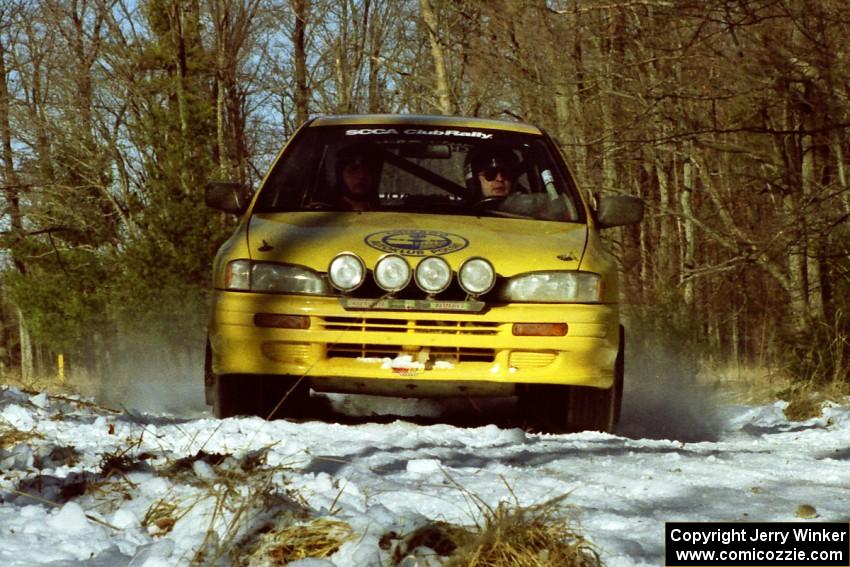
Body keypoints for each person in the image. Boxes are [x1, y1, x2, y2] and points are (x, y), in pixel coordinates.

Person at [336, 142, 381, 210]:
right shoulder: (324, 209)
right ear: (341, 175)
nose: (362, 175)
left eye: (368, 169)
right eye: (353, 169)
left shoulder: (387, 210)